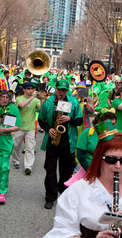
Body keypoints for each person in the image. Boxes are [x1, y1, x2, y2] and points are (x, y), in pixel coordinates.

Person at [38, 79, 83, 210]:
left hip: (68, 142)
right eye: (59, 90)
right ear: (55, 89)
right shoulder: (48, 102)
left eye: (64, 90)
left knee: (66, 172)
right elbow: (41, 120)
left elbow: (79, 121)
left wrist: (70, 119)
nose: (61, 93)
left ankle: (63, 192)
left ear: (67, 91)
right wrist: (49, 129)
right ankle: (50, 197)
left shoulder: (73, 102)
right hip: (52, 142)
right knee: (50, 170)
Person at [11, 82, 41, 175]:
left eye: (32, 89)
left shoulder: (36, 100)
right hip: (19, 127)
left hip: (31, 127)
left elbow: (41, 110)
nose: (30, 90)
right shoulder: (19, 98)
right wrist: (33, 97)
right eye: (28, 88)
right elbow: (21, 106)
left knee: (30, 148)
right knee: (15, 146)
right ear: (23, 89)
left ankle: (28, 166)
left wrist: (41, 99)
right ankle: (16, 161)